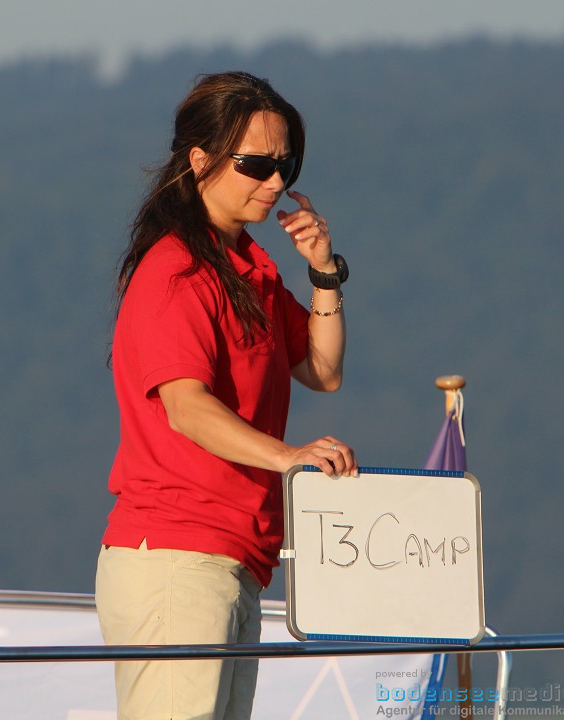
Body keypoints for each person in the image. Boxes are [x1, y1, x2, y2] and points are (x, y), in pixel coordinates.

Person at [96, 71, 358, 720]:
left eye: (285, 164)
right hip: (177, 558)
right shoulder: (176, 268)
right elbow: (186, 406)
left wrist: (323, 269)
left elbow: (321, 370)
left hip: (229, 558)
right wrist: (288, 457)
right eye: (256, 164)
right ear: (200, 159)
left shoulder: (249, 269)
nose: (275, 182)